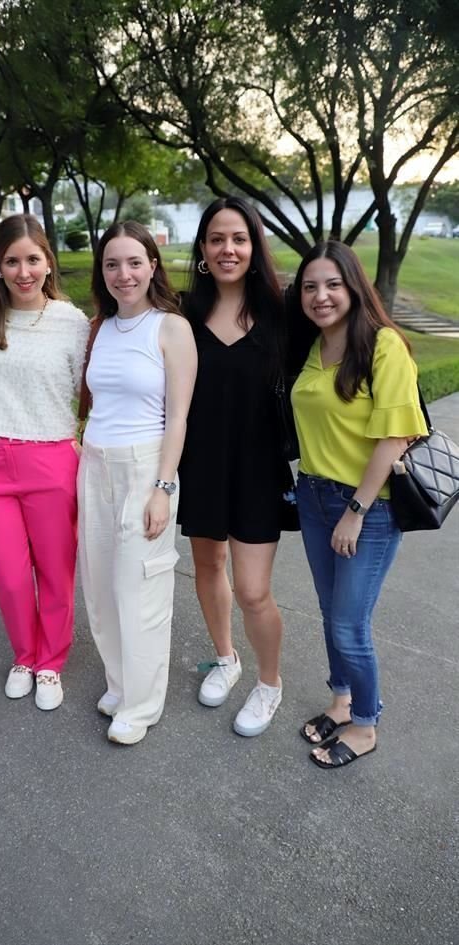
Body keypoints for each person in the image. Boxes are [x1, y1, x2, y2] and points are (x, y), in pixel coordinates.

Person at [290, 240, 428, 769]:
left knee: (350, 622)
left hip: (367, 508)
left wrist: (357, 509)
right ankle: (341, 701)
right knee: (330, 614)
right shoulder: (314, 347)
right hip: (312, 495)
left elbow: (393, 438)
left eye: (332, 284)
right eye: (310, 286)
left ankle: (366, 724)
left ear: (353, 286)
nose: (321, 296)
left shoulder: (383, 345)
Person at [0, 214, 90, 710]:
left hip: (50, 457)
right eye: (12, 261)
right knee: (9, 573)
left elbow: (85, 393)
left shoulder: (71, 322)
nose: (23, 271)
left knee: (55, 570)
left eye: (32, 259)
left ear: (47, 263)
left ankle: (51, 662)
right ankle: (24, 655)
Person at [178, 196, 295, 738]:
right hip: (200, 464)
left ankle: (269, 683)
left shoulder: (282, 314)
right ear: (202, 249)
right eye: (218, 239)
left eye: (239, 239)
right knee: (207, 566)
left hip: (258, 469)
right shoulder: (180, 314)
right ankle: (226, 658)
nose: (228, 249)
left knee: (253, 590)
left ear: (254, 247)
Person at [77, 220, 197, 745]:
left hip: (146, 467)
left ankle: (143, 704)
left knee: (140, 588)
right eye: (111, 264)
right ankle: (120, 683)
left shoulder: (170, 328)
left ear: (152, 265)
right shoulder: (98, 327)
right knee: (101, 588)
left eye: (133, 262)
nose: (123, 274)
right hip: (95, 464)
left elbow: (179, 417)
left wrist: (163, 488)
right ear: (102, 272)